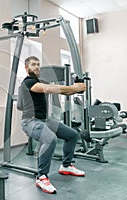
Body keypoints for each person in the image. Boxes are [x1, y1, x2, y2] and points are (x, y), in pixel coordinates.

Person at [18, 56, 86, 194]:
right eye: (33, 65)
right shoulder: (28, 82)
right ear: (26, 67)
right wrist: (74, 87)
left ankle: (66, 166)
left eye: (38, 64)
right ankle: (41, 177)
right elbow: (49, 89)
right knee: (50, 139)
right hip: (30, 121)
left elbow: (60, 89)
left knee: (72, 134)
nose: (36, 67)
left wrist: (77, 88)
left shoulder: (38, 81)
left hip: (45, 120)